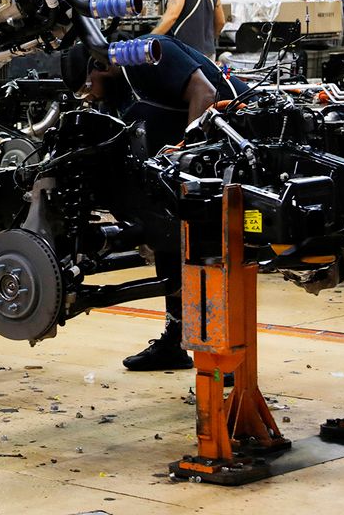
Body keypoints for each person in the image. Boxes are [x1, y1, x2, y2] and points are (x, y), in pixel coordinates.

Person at [62, 35, 243, 371]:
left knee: (211, 254)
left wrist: (188, 152)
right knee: (168, 242)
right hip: (183, 172)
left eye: (89, 87)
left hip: (230, 151)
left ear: (101, 66)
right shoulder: (114, 96)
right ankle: (174, 342)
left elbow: (204, 92)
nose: (91, 97)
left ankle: (224, 357)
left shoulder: (149, 55)